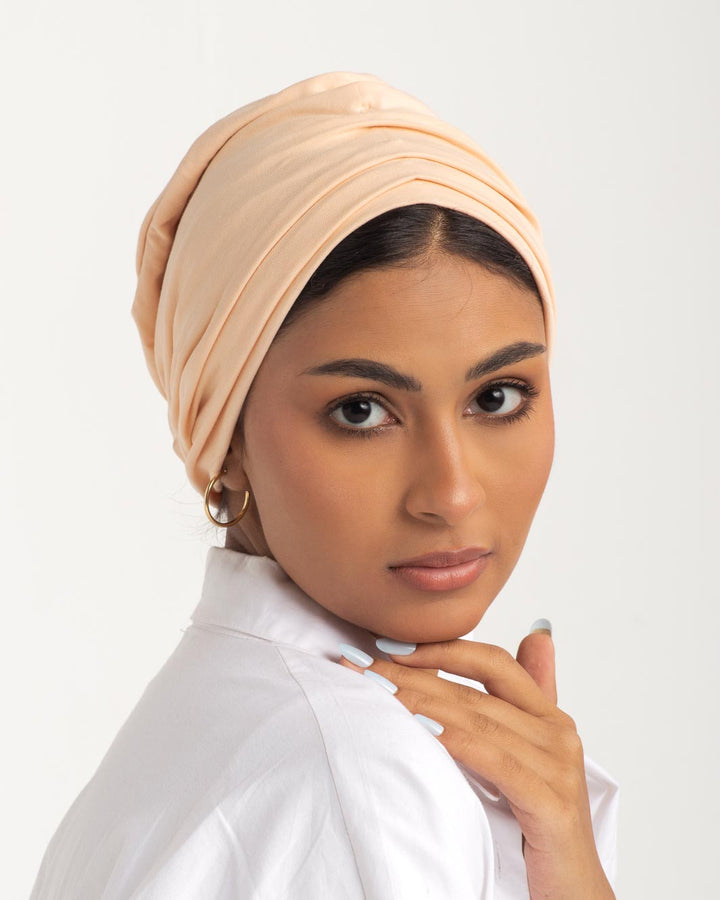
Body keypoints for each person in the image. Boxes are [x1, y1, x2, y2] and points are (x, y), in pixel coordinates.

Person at [30, 71, 619, 899]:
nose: (451, 494)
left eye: (496, 398)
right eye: (361, 410)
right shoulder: (363, 773)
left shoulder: (199, 725)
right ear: (225, 434)